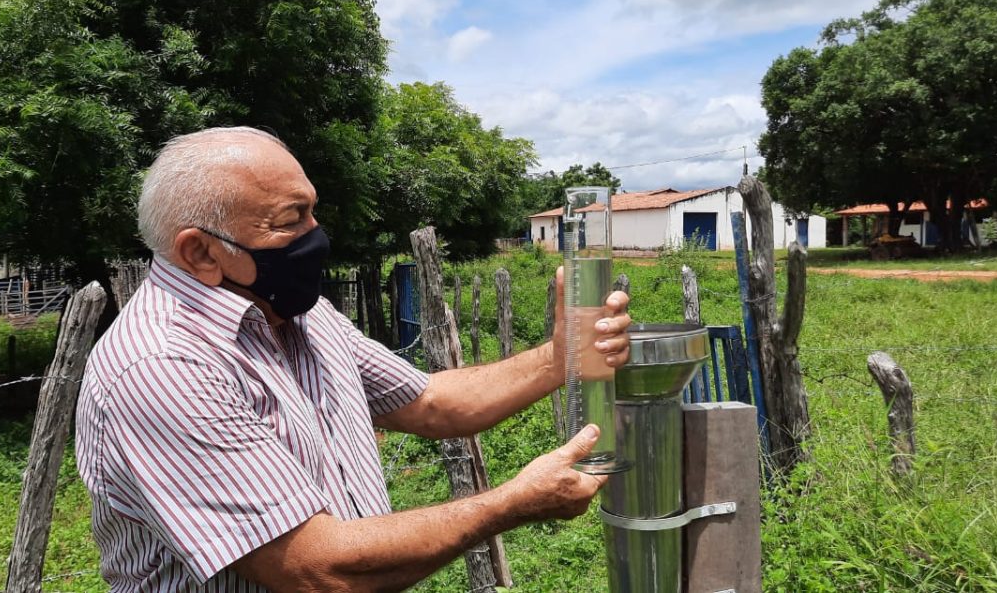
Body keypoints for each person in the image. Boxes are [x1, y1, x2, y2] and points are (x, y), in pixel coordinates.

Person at [76, 126, 633, 592]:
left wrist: (560, 356)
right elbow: (317, 571)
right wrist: (512, 503)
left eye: (312, 212)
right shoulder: (163, 365)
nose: (316, 237)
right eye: (290, 220)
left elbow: (432, 403)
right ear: (200, 251)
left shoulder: (295, 313)